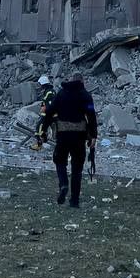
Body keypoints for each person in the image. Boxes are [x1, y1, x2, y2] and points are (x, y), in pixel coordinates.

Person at [38, 74, 97, 208]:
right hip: (79, 136)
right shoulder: (86, 96)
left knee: (59, 161)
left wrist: (43, 131)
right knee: (77, 168)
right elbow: (91, 115)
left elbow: (49, 112)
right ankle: (74, 201)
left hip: (63, 134)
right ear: (82, 81)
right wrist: (93, 135)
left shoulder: (61, 94)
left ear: (70, 81)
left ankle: (63, 184)